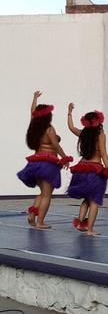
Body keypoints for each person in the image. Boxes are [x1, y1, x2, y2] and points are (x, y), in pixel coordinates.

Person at [17, 91, 72, 229]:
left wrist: (34, 98)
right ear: (48, 115)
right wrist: (65, 158)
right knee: (47, 195)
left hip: (35, 163)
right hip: (48, 164)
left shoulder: (34, 127)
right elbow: (55, 145)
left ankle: (32, 215)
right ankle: (40, 222)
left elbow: (32, 112)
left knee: (42, 193)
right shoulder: (49, 129)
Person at [67, 103, 108, 236]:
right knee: (94, 200)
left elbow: (71, 127)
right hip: (95, 170)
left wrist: (69, 113)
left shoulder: (83, 133)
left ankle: (80, 222)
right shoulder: (101, 135)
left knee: (86, 199)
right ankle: (89, 229)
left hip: (81, 169)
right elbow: (104, 153)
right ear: (99, 121)